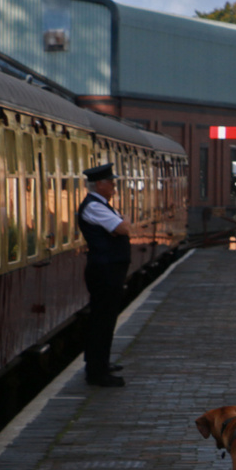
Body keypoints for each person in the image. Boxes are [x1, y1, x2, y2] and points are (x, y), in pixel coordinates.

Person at [77, 163, 131, 387]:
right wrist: (125, 219)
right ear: (99, 184)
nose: (114, 186)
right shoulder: (94, 207)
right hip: (104, 270)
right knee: (102, 320)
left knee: (105, 319)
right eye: (111, 182)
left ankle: (100, 362)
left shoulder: (102, 205)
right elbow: (123, 228)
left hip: (109, 269)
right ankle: (97, 372)